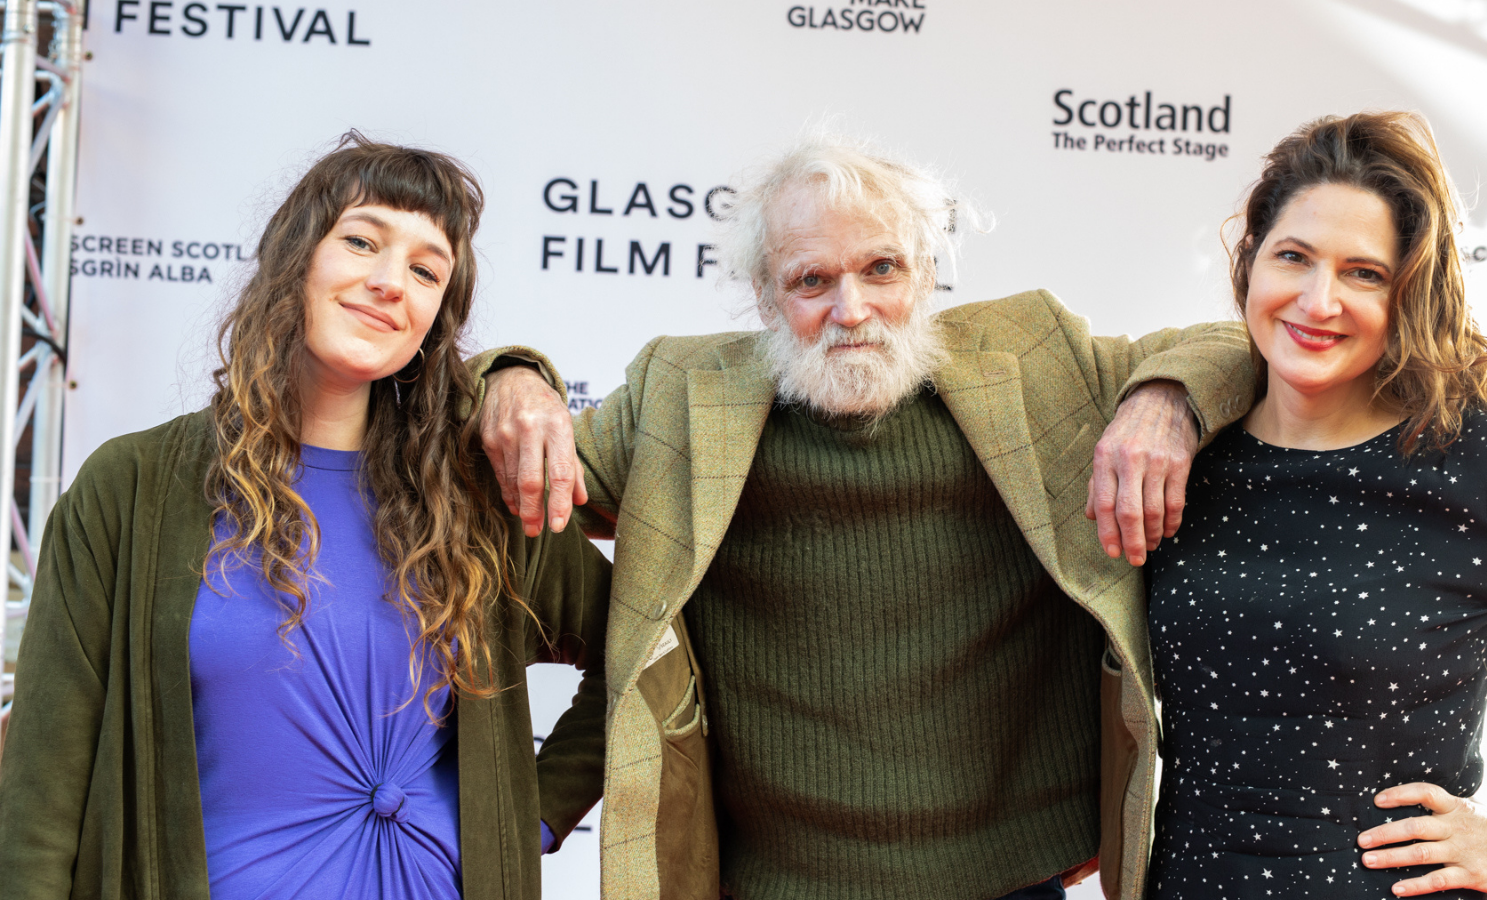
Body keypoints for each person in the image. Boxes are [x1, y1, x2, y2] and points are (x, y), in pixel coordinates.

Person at [474, 133, 1257, 900]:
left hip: (1014, 877)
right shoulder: (678, 393)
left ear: (923, 273)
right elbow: (495, 468)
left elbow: (1237, 344)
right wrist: (510, 375)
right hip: (775, 883)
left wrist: (1164, 401)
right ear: (764, 296)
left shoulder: (1033, 355)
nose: (853, 311)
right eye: (812, 280)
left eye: (881, 268)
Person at [0, 135, 612, 899]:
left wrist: (524, 823)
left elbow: (638, 654)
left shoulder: (474, 500)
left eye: (426, 270)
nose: (391, 283)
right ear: (296, 258)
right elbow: (43, 784)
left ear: (434, 321)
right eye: (361, 241)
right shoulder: (131, 487)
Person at [1144, 111, 1487, 898]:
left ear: (1411, 292)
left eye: (1364, 273)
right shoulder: (1186, 451)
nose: (1318, 301)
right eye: (1294, 257)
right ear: (1249, 260)